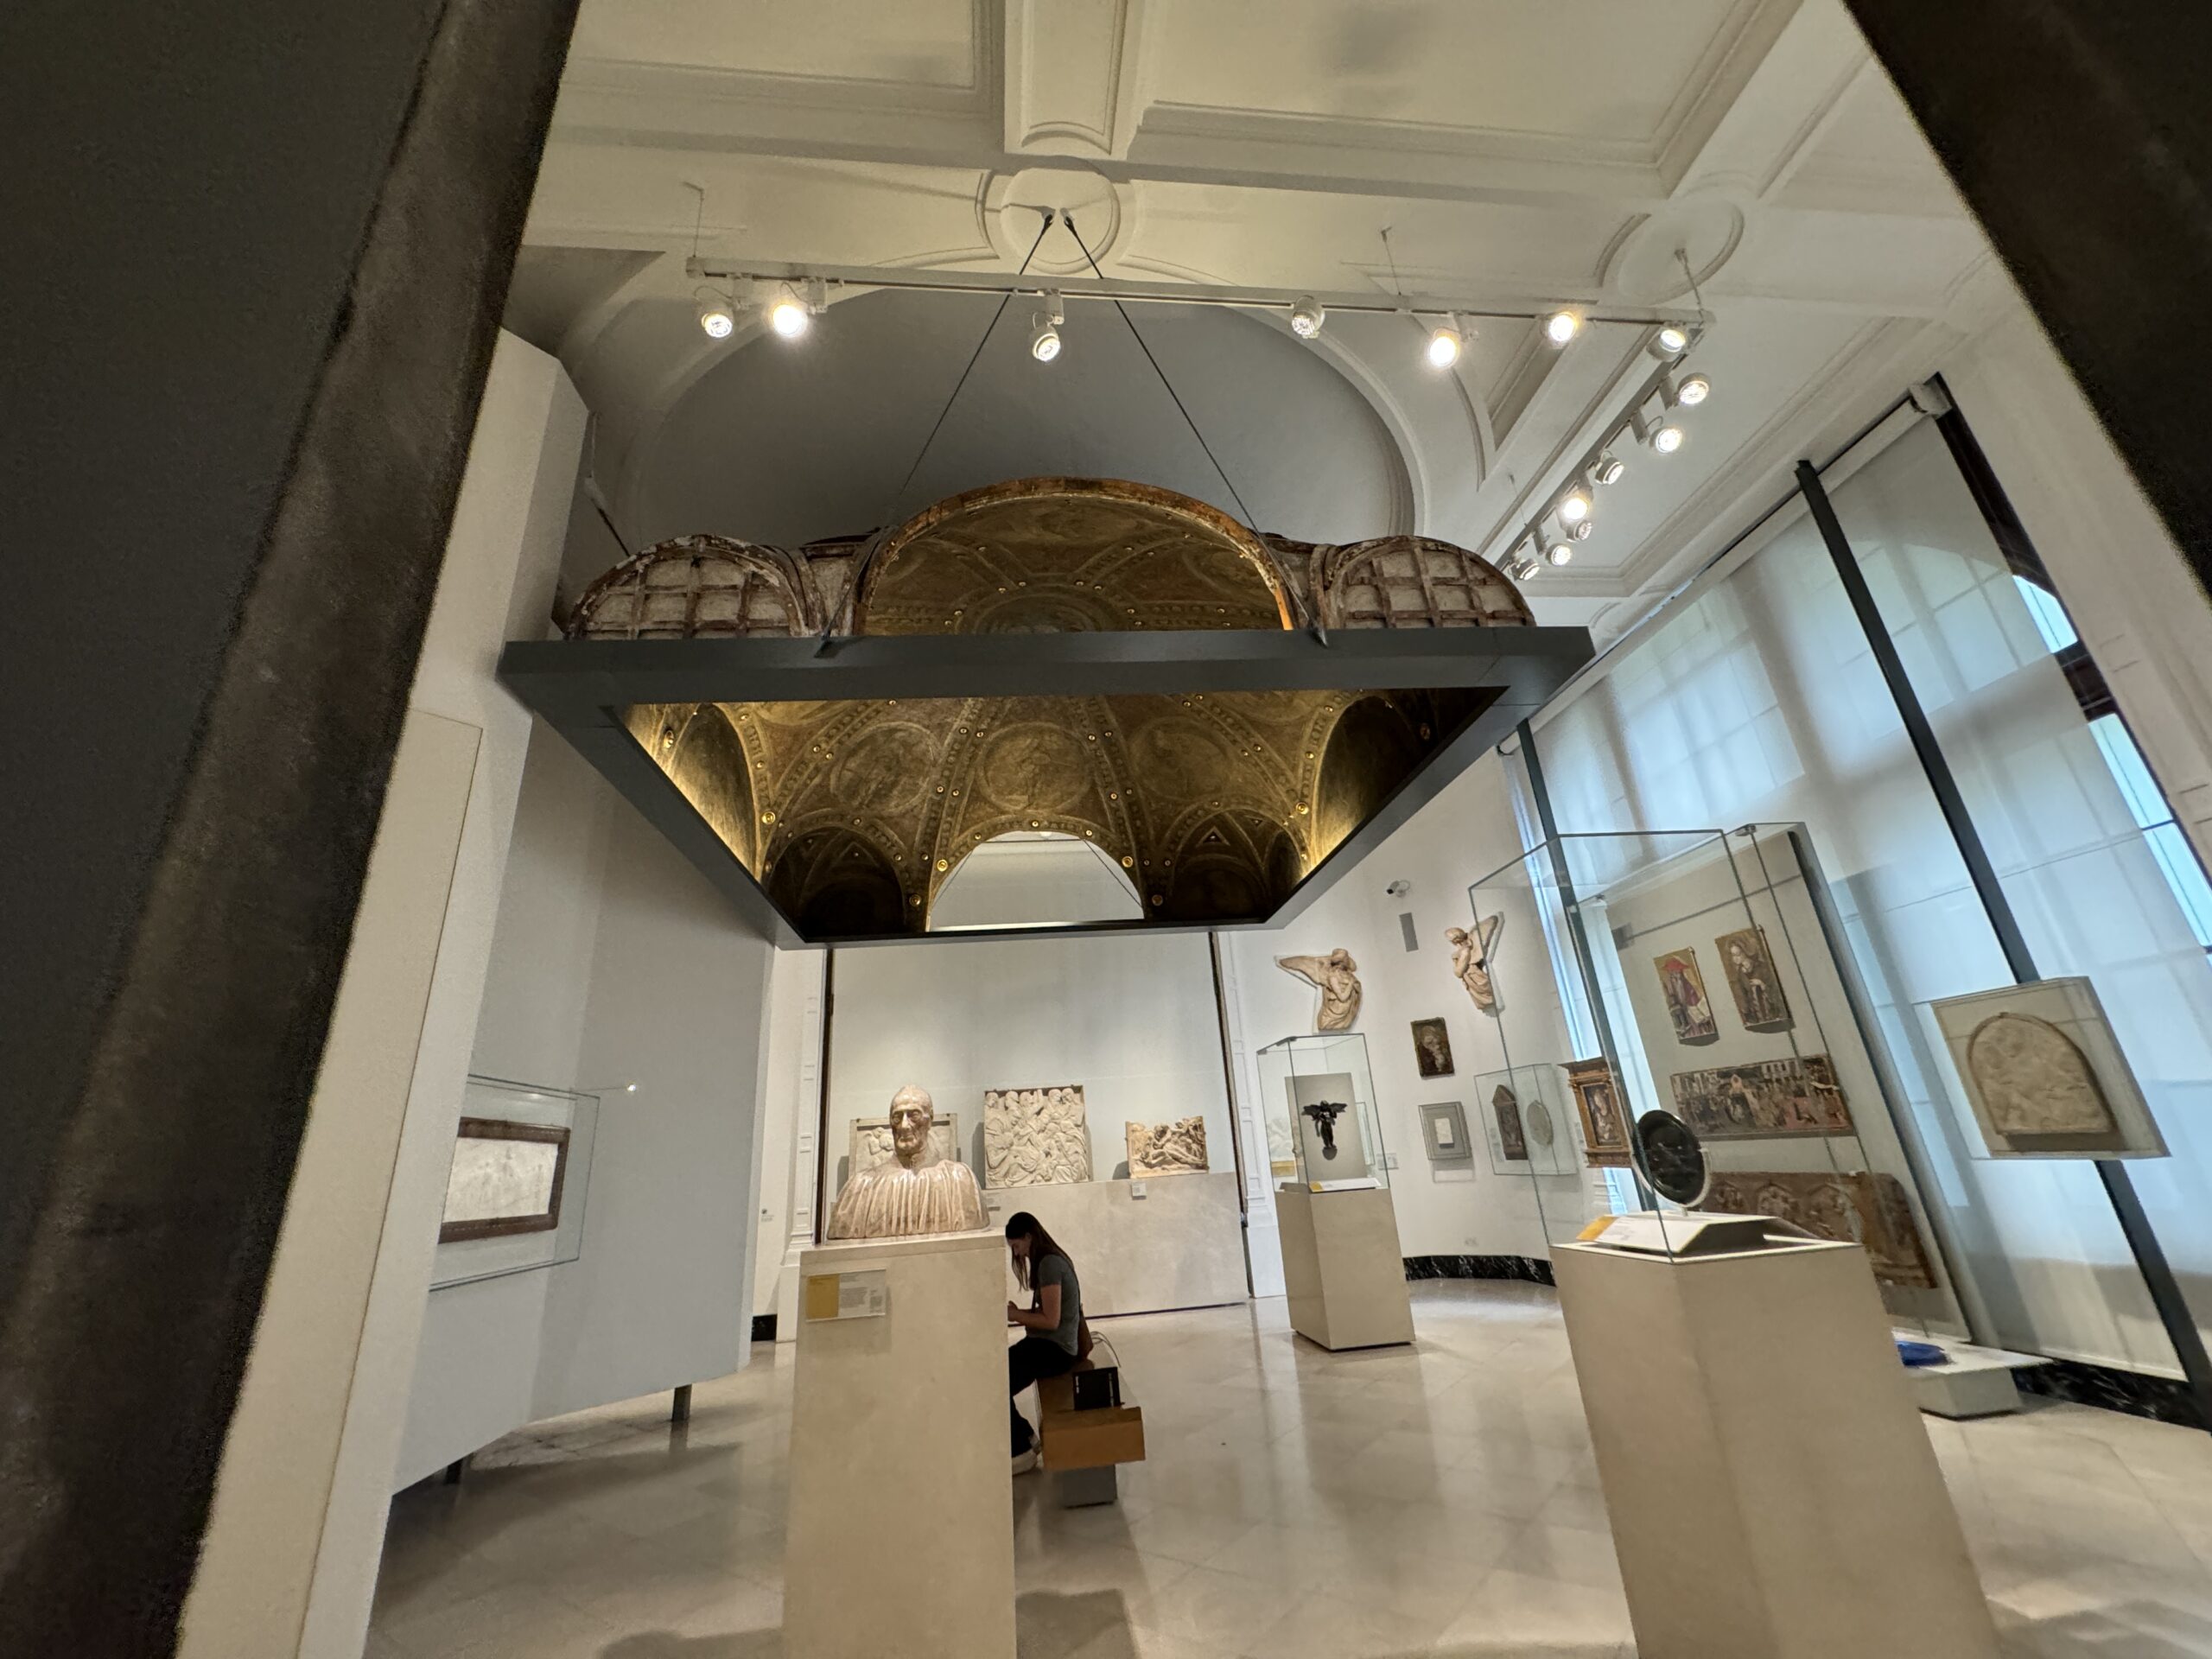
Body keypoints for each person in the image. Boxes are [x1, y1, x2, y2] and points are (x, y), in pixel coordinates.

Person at [1004, 1211, 1084, 1474]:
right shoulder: (1050, 1260)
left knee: (997, 1382)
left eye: (1016, 1245)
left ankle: (1021, 1451)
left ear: (1029, 1237)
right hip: (1050, 1345)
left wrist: (1015, 1315)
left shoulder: (1049, 1264)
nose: (1016, 1253)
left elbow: (1051, 1320)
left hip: (1056, 1350)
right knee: (998, 1372)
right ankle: (1026, 1437)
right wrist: (1020, 1314)